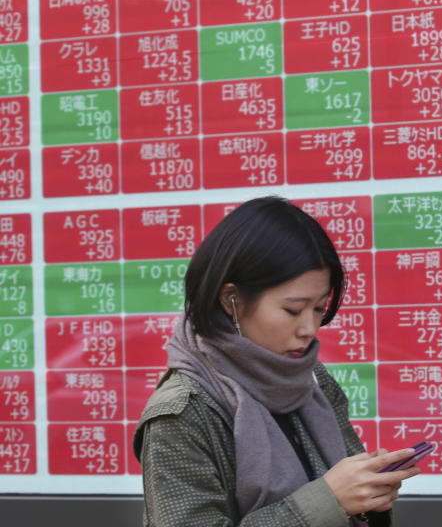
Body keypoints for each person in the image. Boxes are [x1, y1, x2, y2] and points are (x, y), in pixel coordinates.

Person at [134, 196, 419, 526]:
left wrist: (370, 490)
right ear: (232, 300)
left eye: (318, 308)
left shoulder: (311, 378)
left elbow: (348, 504)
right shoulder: (181, 413)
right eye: (293, 310)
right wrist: (329, 499)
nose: (309, 329)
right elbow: (329, 500)